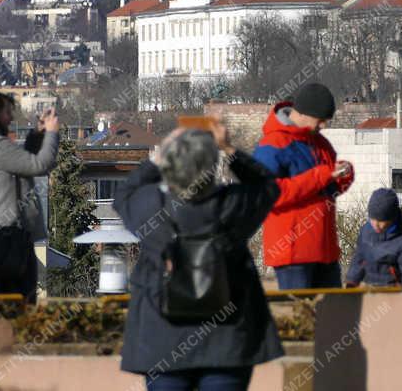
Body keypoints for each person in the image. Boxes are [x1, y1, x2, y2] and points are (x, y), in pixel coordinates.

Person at [114, 123, 283, 391]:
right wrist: (229, 148)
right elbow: (268, 186)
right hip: (226, 340)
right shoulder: (233, 206)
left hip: (163, 340)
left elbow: (124, 193)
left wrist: (158, 158)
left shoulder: (149, 208)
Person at [253, 82, 354, 290]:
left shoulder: (320, 144)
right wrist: (322, 175)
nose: (323, 126)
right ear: (304, 114)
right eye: (321, 120)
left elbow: (327, 190)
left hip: (325, 250)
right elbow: (268, 195)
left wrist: (342, 176)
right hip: (293, 254)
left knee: (333, 316)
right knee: (300, 318)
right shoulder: (272, 144)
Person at [0, 91, 59, 303]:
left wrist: (37, 135)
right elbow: (38, 165)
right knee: (19, 301)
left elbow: (21, 163)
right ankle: (15, 336)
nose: (11, 118)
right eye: (8, 112)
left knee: (7, 298)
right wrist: (52, 134)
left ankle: (6, 334)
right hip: (12, 233)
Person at [345, 188, 402, 288]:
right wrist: (352, 281)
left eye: (381, 221)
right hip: (369, 287)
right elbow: (359, 258)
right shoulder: (366, 232)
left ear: (392, 219)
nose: (376, 224)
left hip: (392, 292)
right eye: (373, 219)